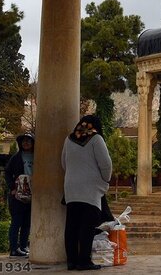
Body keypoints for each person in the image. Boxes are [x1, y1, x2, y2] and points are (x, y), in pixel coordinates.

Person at [62, 114, 113, 271]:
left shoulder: (68, 140)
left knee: (71, 226)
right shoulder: (96, 139)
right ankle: (84, 260)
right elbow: (106, 164)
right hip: (90, 190)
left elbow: (63, 163)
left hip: (71, 189)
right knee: (87, 226)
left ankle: (72, 261)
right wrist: (105, 180)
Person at [5, 132, 34, 258]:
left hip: (32, 194)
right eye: (24, 141)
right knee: (16, 222)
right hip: (18, 195)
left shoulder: (37, 156)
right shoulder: (16, 158)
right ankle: (13, 248)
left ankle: (23, 247)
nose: (26, 143)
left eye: (29, 140)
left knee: (27, 223)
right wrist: (12, 188)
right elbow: (7, 172)